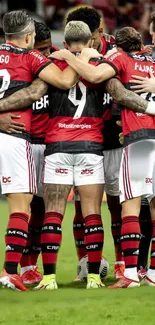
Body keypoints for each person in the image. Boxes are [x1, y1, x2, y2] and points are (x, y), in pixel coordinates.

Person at [51, 26, 155, 287]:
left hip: (139, 137)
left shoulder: (120, 58)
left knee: (129, 204)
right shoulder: (152, 59)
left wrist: (70, 56)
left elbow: (96, 74)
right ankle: (152, 273)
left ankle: (130, 274)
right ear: (142, 42)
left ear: (118, 47)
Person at [0, 9, 78, 291]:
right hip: (15, 137)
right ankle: (10, 271)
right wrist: (79, 56)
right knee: (22, 206)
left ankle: (17, 270)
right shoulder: (30, 57)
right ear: (29, 36)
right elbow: (67, 81)